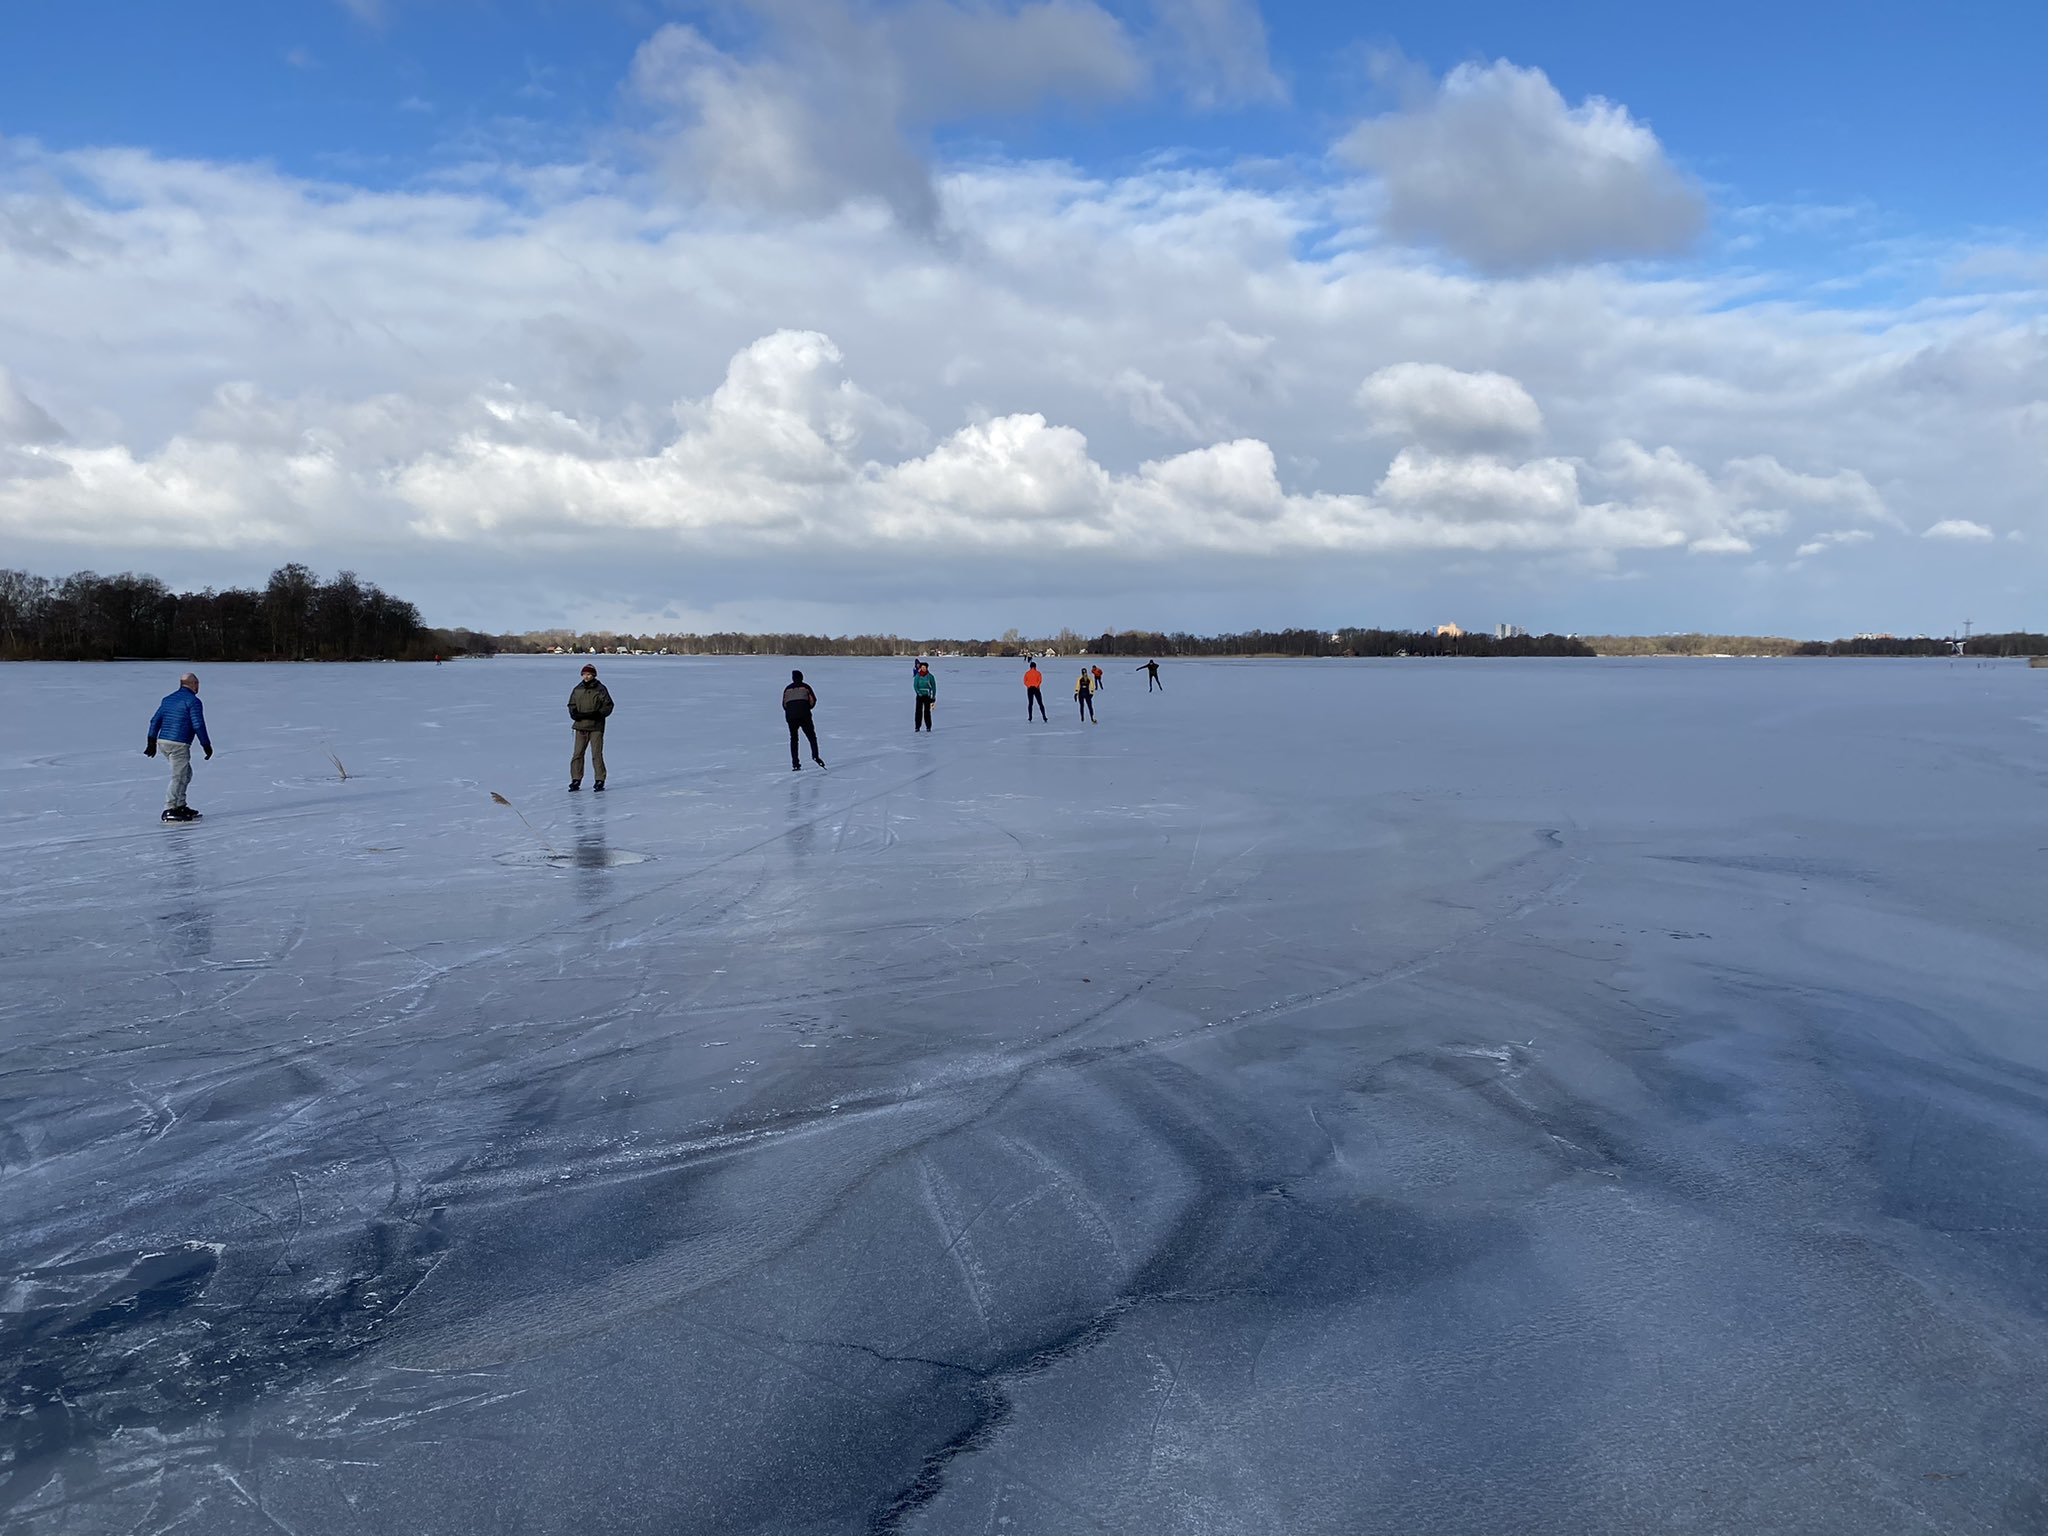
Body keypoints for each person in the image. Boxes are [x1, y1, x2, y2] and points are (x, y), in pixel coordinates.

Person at [145, 672, 213, 822]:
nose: (198, 687)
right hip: (178, 744)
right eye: (197, 684)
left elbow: (155, 721)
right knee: (179, 776)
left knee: (186, 773)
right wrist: (206, 745)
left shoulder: (168, 700)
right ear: (193, 684)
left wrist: (151, 741)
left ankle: (180, 805)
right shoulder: (193, 701)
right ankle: (170, 809)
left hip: (163, 742)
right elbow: (198, 724)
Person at [567, 664, 614, 791]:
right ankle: (575, 779)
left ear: (593, 675)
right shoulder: (577, 689)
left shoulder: (600, 689)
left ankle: (600, 779)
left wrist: (598, 714)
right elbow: (571, 704)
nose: (586, 677)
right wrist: (574, 714)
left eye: (588, 674)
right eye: (584, 674)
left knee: (596, 754)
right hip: (581, 725)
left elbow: (608, 705)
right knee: (577, 754)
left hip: (596, 726)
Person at [783, 669, 825, 770]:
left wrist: (791, 711)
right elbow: (813, 700)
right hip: (804, 715)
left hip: (791, 716)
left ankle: (795, 764)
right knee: (811, 736)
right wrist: (806, 708)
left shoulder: (787, 689)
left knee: (794, 739)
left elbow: (784, 704)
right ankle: (815, 756)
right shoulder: (805, 687)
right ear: (802, 678)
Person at [913, 661, 937, 732]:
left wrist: (933, 696)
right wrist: (918, 692)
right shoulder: (917, 676)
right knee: (918, 712)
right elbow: (915, 686)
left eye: (924, 667)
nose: (923, 668)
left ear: (927, 668)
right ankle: (917, 727)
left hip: (927, 696)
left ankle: (928, 727)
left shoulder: (930, 677)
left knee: (927, 712)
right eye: (922, 667)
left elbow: (934, 687)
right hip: (920, 696)